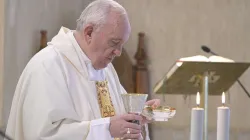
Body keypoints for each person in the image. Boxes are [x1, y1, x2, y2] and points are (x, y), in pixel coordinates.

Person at [5, 0, 160, 140]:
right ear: (89, 32)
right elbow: (44, 135)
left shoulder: (105, 69)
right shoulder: (47, 66)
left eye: (122, 45)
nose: (118, 52)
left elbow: (118, 114)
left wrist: (139, 114)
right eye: (114, 43)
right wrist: (106, 129)